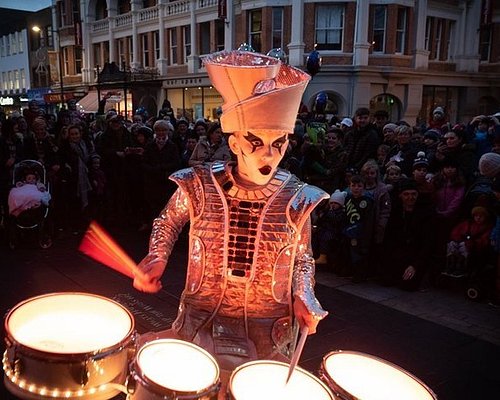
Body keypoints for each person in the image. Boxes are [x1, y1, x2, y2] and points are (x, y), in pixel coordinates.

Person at [133, 50, 328, 375]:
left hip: (268, 322)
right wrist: (158, 254)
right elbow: (168, 222)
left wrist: (303, 293)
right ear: (235, 143)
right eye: (256, 142)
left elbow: (303, 257)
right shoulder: (198, 184)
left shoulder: (296, 196)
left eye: (278, 143)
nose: (269, 153)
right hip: (204, 313)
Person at [380, 179, 435, 290]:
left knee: (408, 285)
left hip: (416, 255)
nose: (410, 198)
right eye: (406, 194)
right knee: (386, 280)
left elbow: (428, 243)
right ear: (401, 196)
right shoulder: (396, 212)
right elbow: (389, 239)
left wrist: (415, 265)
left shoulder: (426, 214)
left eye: (413, 194)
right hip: (399, 254)